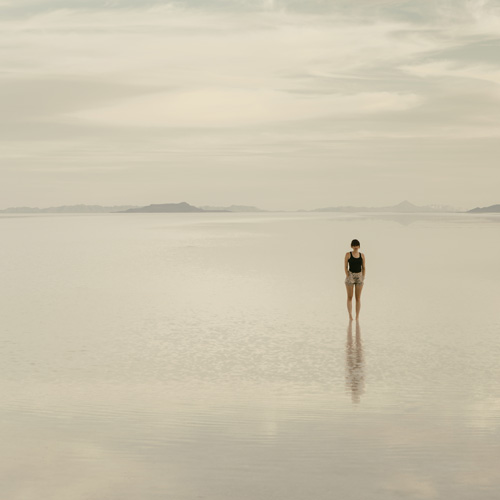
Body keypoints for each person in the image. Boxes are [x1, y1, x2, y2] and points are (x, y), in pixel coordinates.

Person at [344, 239, 365, 320]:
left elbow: (364, 267)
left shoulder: (362, 255)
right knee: (350, 297)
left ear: (359, 246)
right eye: (354, 245)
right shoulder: (348, 254)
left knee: (358, 298)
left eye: (357, 245)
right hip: (351, 275)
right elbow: (345, 266)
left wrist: (363, 277)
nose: (355, 247)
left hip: (359, 276)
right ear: (351, 246)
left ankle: (357, 316)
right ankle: (350, 315)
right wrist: (347, 275)